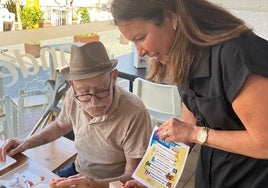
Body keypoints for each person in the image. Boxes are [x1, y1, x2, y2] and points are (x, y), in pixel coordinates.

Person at [111, 0, 268, 187]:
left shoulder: (236, 54)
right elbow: (187, 125)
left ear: (170, 17)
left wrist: (195, 134)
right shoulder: (184, 55)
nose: (140, 52)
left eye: (141, 37)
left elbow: (264, 143)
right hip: (212, 174)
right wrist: (153, 179)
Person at [0, 41, 152, 188]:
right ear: (73, 84)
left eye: (101, 90)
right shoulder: (73, 94)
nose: (93, 101)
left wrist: (95, 184)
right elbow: (60, 125)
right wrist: (26, 142)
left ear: (113, 77)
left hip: (112, 183)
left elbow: (133, 175)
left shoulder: (135, 112)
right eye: (84, 92)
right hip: (79, 170)